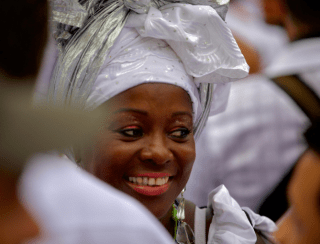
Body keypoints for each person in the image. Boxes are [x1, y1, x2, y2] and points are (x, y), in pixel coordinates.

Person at [49, 0, 276, 243]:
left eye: (179, 132)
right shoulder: (32, 232)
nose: (158, 153)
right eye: (132, 130)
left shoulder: (230, 237)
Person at [1, 1, 174, 243]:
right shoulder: (109, 227)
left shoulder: (125, 230)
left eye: (180, 131)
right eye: (132, 130)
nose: (35, 226)